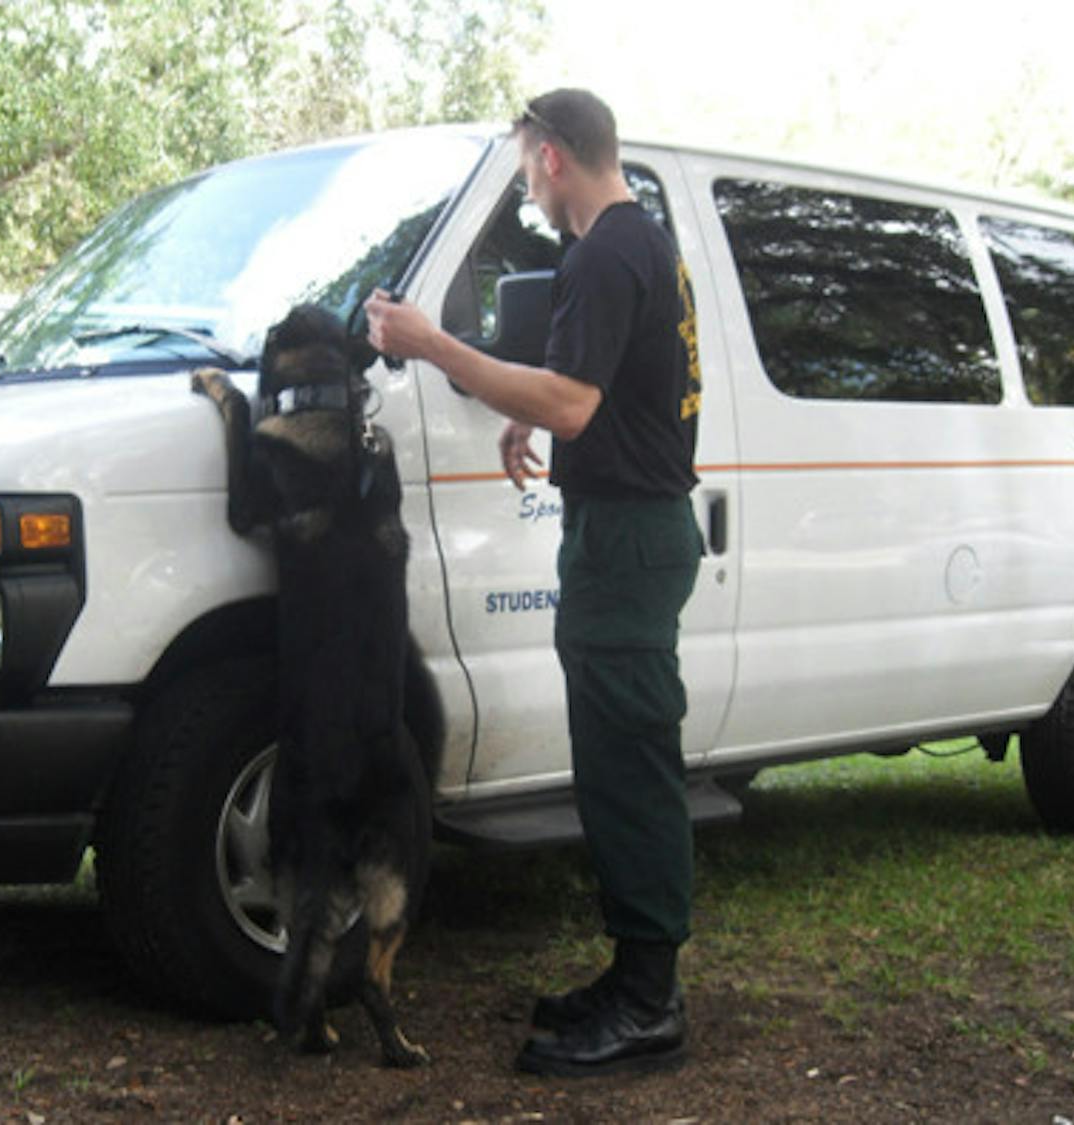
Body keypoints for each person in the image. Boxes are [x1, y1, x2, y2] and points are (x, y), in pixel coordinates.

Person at [364, 87, 703, 1077]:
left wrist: (434, 345)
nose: (527, 191)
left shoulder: (604, 251)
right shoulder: (638, 244)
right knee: (614, 761)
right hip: (631, 534)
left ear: (553, 157)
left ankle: (650, 1004)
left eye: (524, 170)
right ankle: (636, 975)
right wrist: (535, 415)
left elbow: (577, 400)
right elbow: (597, 393)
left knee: (630, 769)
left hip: (628, 543)